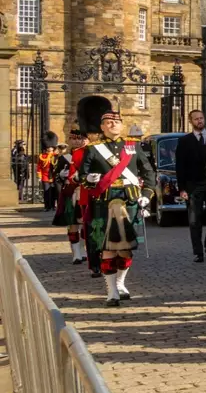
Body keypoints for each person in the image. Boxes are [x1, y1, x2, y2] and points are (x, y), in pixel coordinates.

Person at [74, 96, 157, 306]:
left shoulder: (134, 146)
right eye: (108, 122)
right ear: (102, 126)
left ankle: (120, 283)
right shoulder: (94, 149)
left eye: (116, 122)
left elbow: (149, 174)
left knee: (126, 247)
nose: (113, 125)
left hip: (129, 201)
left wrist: (146, 197)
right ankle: (111, 290)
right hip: (104, 201)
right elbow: (83, 177)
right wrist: (90, 180)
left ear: (122, 125)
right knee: (107, 247)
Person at [175, 109, 206, 263]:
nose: (199, 121)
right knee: (195, 219)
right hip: (192, 184)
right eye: (196, 119)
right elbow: (180, 166)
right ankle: (198, 252)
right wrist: (182, 188)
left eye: (201, 118)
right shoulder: (184, 141)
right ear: (191, 122)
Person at [51, 129, 88, 264]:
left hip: (85, 192)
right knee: (72, 224)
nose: (77, 141)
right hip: (70, 193)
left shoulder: (88, 154)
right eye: (74, 138)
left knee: (85, 223)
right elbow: (55, 175)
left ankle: (83, 250)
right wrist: (61, 176)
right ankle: (76, 254)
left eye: (79, 138)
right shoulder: (64, 158)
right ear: (69, 140)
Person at [38, 135, 59, 211]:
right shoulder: (42, 156)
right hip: (45, 176)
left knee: (53, 192)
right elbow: (39, 167)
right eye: (48, 147)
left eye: (51, 147)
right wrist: (39, 176)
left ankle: (53, 206)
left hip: (53, 176)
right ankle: (47, 206)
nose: (49, 148)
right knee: (47, 192)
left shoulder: (56, 156)